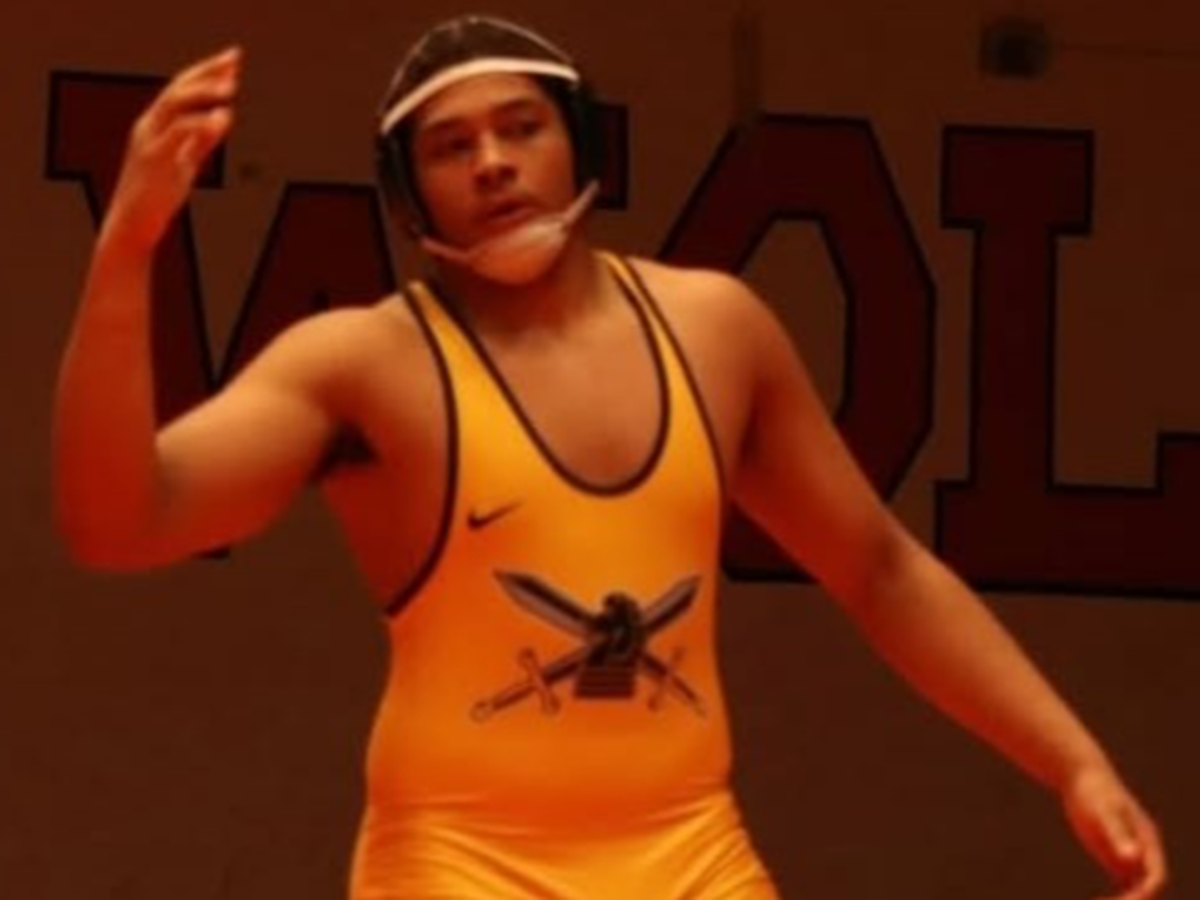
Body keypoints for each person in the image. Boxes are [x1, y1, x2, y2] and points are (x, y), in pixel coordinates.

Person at [53, 14, 1166, 900]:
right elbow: (118, 523)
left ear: (581, 142)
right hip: (458, 860)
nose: (493, 164)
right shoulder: (366, 365)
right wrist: (127, 252)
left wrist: (1071, 759)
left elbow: (879, 569)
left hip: (688, 849)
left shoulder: (715, 331)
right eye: (450, 147)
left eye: (520, 127)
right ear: (407, 192)